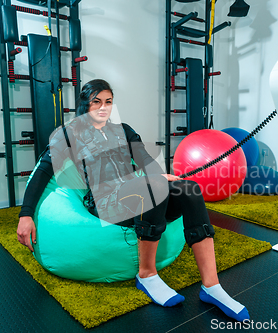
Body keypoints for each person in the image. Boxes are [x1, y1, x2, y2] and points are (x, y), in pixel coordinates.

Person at [17, 79, 249, 322]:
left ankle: (211, 287)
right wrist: (26, 214)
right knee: (156, 185)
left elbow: (146, 161)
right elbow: (43, 172)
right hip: (103, 204)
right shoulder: (69, 134)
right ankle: (147, 275)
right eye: (96, 102)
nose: (103, 108)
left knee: (188, 189)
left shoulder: (123, 130)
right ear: (84, 105)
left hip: (133, 195)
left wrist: (164, 177)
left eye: (108, 102)